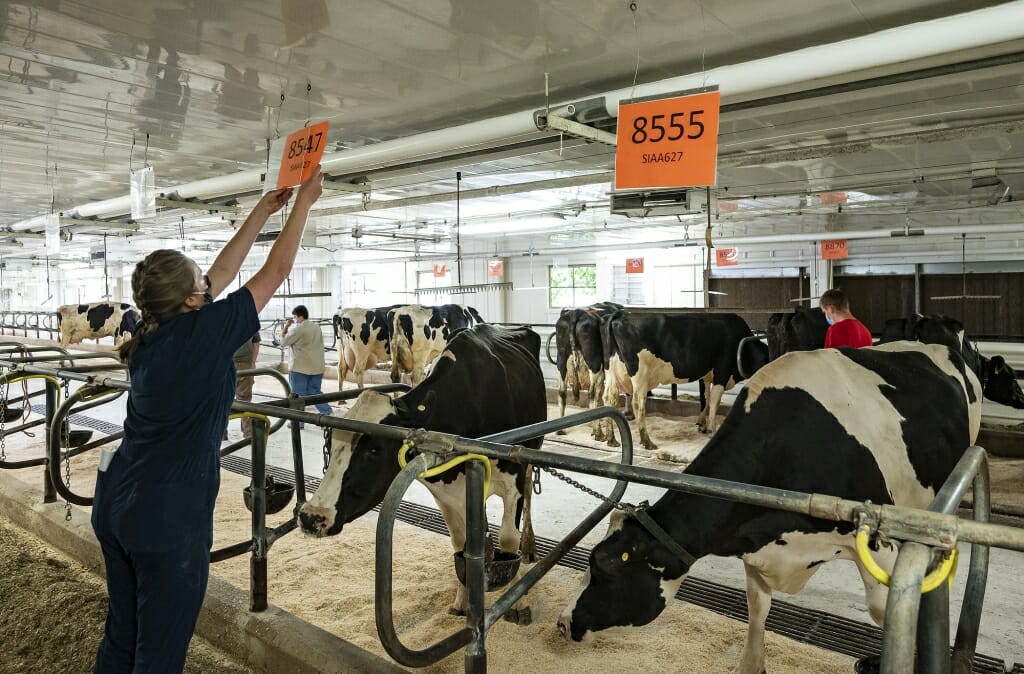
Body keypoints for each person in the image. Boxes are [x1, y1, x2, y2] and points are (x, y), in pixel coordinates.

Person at [90, 166, 324, 673]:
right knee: (159, 653)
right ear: (193, 301)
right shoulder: (205, 333)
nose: (210, 283)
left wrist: (263, 210)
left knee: (122, 637)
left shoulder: (152, 331)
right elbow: (276, 271)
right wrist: (305, 203)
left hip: (117, 500)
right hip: (167, 516)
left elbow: (218, 273)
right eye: (202, 283)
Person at [280, 304, 332, 419]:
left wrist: (286, 326)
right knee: (315, 392)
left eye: (294, 317)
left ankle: (298, 422)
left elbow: (283, 342)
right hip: (317, 366)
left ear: (299, 317)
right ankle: (327, 412)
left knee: (297, 396)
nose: (294, 320)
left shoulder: (298, 329)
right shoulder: (316, 327)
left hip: (300, 368)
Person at [232, 331, 261, 438]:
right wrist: (253, 362)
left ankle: (221, 432)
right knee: (244, 399)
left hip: (225, 363)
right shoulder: (249, 320)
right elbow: (256, 343)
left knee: (223, 399)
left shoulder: (221, 319)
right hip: (244, 364)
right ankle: (248, 432)